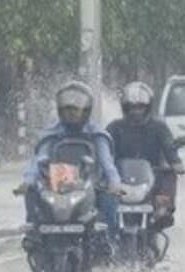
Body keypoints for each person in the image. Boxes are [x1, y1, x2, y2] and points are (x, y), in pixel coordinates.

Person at [17, 80, 124, 247]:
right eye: (67, 110)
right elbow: (38, 161)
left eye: (75, 110)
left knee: (109, 201)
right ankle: (34, 235)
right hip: (58, 187)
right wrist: (27, 181)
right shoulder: (51, 135)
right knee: (33, 192)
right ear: (60, 110)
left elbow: (107, 163)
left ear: (86, 110)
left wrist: (115, 182)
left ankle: (111, 243)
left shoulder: (97, 135)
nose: (71, 114)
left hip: (91, 186)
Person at [106, 81, 185, 232]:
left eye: (140, 107)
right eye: (132, 108)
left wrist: (175, 162)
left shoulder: (158, 127)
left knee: (169, 174)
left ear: (148, 107)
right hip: (121, 180)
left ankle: (163, 210)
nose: (136, 112)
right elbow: (104, 148)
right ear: (125, 108)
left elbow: (169, 146)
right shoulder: (115, 127)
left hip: (152, 177)